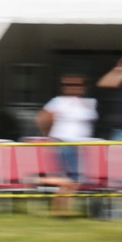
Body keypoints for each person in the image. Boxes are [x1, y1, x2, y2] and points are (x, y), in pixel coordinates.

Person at [36, 75, 97, 213]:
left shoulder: (89, 103)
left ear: (84, 87)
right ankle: (38, 182)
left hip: (80, 145)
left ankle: (62, 210)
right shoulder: (58, 102)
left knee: (74, 180)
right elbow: (43, 119)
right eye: (68, 85)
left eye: (77, 85)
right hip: (63, 143)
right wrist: (50, 137)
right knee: (69, 179)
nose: (72, 88)